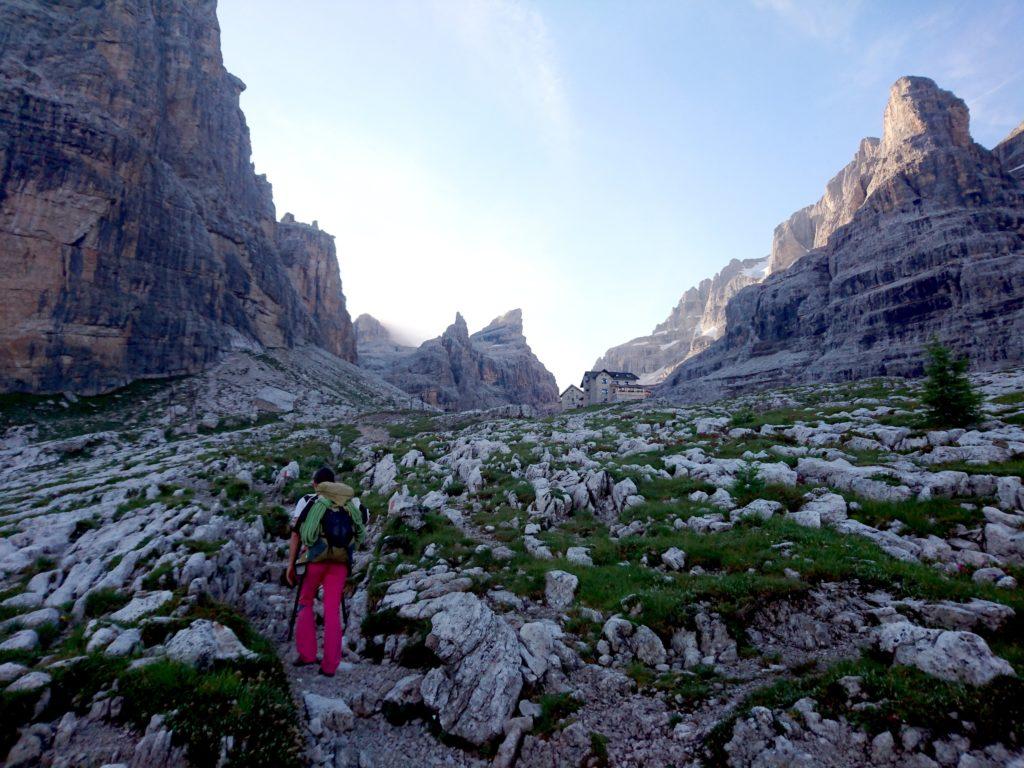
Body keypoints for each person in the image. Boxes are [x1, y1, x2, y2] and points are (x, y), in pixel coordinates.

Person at [286, 466, 367, 677]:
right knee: (332, 610)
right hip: (339, 563)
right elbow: (363, 524)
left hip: (314, 561)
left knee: (305, 601)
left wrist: (291, 565)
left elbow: (296, 534)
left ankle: (307, 654)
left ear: (316, 484)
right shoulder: (350, 503)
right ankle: (330, 665)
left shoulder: (308, 501)